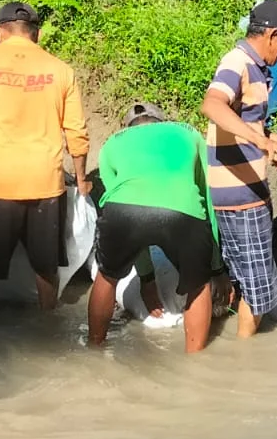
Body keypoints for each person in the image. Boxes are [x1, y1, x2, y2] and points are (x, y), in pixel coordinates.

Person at [0, 0, 89, 322]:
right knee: (45, 267)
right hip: (44, 182)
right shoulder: (61, 70)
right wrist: (83, 179)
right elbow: (76, 131)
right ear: (37, 34)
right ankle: (47, 331)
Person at [199, 0, 277, 339]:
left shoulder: (254, 68)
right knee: (260, 292)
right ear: (273, 34)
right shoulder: (238, 62)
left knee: (244, 282)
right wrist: (265, 145)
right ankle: (244, 362)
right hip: (241, 197)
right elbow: (212, 104)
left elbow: (245, 124)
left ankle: (226, 353)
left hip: (239, 192)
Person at [88, 101, 221, 353]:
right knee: (198, 285)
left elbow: (131, 208)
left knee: (107, 276)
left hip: (121, 212)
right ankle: (196, 361)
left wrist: (147, 280)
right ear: (162, 121)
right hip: (181, 211)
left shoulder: (112, 144)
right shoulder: (188, 132)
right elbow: (207, 195)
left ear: (128, 127)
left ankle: (94, 347)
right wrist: (216, 268)